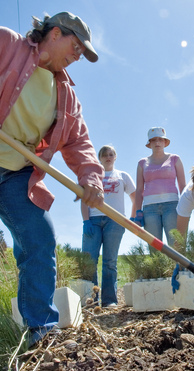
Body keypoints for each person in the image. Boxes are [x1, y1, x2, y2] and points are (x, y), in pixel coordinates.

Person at [0, 12, 105, 346]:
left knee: (40, 238)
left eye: (81, 54)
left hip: (16, 176)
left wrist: (91, 177)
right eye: (75, 47)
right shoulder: (7, 45)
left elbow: (78, 143)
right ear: (55, 33)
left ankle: (41, 333)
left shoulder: (66, 95)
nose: (77, 57)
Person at [81, 145, 136, 307]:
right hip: (93, 221)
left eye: (111, 154)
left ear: (115, 157)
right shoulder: (92, 176)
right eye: (104, 155)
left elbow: (135, 196)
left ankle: (109, 300)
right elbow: (84, 199)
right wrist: (86, 221)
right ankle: (91, 301)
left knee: (110, 262)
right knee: (89, 261)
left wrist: (132, 217)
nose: (108, 157)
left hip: (115, 221)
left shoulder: (122, 176)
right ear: (100, 158)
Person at [134, 127, 186, 252]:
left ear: (165, 142)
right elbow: (139, 189)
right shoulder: (142, 163)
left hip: (172, 206)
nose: (157, 143)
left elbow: (182, 185)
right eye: (153, 140)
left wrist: (185, 206)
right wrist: (138, 211)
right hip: (150, 209)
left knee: (176, 245)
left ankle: (180, 271)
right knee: (154, 248)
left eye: (160, 140)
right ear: (149, 143)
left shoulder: (175, 159)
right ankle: (157, 272)